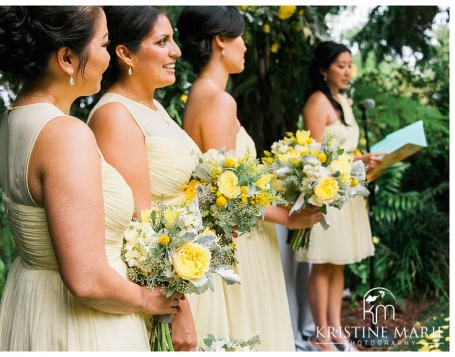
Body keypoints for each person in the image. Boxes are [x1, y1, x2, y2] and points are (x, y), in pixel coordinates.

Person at [0, 6, 181, 351]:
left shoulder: (14, 121)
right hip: (84, 325)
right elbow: (86, 279)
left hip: (36, 302)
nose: (107, 56)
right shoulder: (65, 134)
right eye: (103, 45)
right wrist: (149, 301)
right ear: (68, 58)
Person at [176, 6, 322, 351]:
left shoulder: (198, 95)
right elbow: (224, 196)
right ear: (221, 41)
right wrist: (290, 217)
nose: (244, 45)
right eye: (239, 37)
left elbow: (231, 181)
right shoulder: (218, 101)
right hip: (242, 244)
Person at [86, 6, 198, 351]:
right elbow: (140, 223)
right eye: (162, 41)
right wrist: (178, 310)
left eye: (173, 40)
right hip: (164, 286)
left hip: (189, 267)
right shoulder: (114, 116)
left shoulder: (155, 107)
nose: (176, 51)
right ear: (125, 53)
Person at [296, 40, 384, 352]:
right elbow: (314, 158)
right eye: (340, 65)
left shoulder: (343, 101)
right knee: (322, 263)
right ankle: (320, 334)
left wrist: (367, 164)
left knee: (338, 264)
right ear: (323, 69)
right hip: (327, 193)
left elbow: (347, 150)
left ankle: (335, 328)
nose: (348, 71)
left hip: (348, 193)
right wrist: (358, 161)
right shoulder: (317, 103)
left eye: (350, 65)